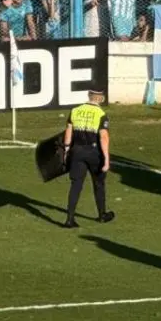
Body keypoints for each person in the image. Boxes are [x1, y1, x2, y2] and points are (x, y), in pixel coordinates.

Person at [62, 89, 114, 228]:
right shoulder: (101, 114)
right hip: (93, 152)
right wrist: (107, 158)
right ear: (100, 99)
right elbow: (103, 137)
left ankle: (69, 218)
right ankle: (102, 214)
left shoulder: (75, 111)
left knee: (76, 185)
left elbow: (68, 131)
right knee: (98, 183)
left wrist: (67, 149)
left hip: (77, 150)